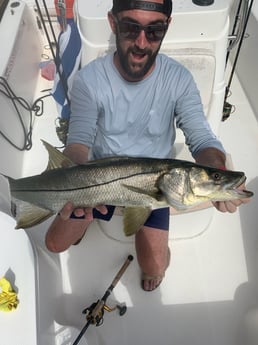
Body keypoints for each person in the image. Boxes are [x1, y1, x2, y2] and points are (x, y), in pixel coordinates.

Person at [46, 0, 250, 291]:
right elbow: (78, 142)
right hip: (100, 178)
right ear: (113, 23)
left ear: (167, 26)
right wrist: (71, 177)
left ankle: (151, 256)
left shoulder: (178, 78)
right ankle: (83, 217)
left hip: (158, 186)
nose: (141, 43)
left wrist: (217, 170)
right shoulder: (90, 80)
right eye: (130, 28)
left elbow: (201, 139)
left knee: (154, 265)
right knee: (55, 243)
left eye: (154, 31)